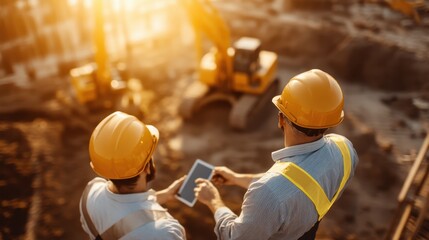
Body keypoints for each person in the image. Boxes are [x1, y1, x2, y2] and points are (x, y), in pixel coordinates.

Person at [194, 69, 359, 240]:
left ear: (281, 118)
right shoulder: (345, 149)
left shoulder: (267, 193)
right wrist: (237, 178)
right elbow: (298, 182)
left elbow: (234, 237)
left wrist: (213, 201)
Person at [79, 111, 186, 240]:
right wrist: (216, 206)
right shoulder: (164, 232)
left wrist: (166, 195)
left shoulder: (90, 193)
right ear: (146, 167)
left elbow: (121, 213)